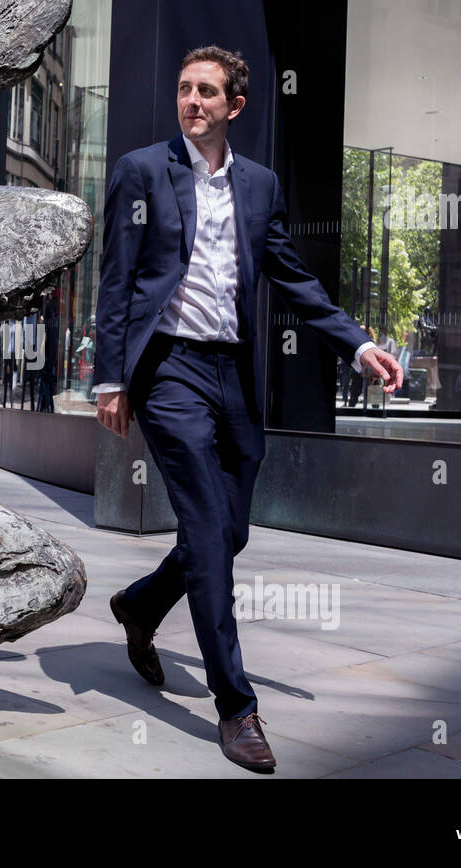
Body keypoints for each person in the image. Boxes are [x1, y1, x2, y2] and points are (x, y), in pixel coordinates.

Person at [92, 45, 403, 773]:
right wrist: (111, 379)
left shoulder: (259, 185)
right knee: (204, 526)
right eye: (184, 89)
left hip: (234, 374)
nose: (191, 101)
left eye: (207, 92)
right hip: (168, 372)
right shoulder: (142, 171)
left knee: (227, 535)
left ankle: (141, 606)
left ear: (235, 106)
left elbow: (293, 279)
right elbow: (116, 281)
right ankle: (237, 708)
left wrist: (357, 346)